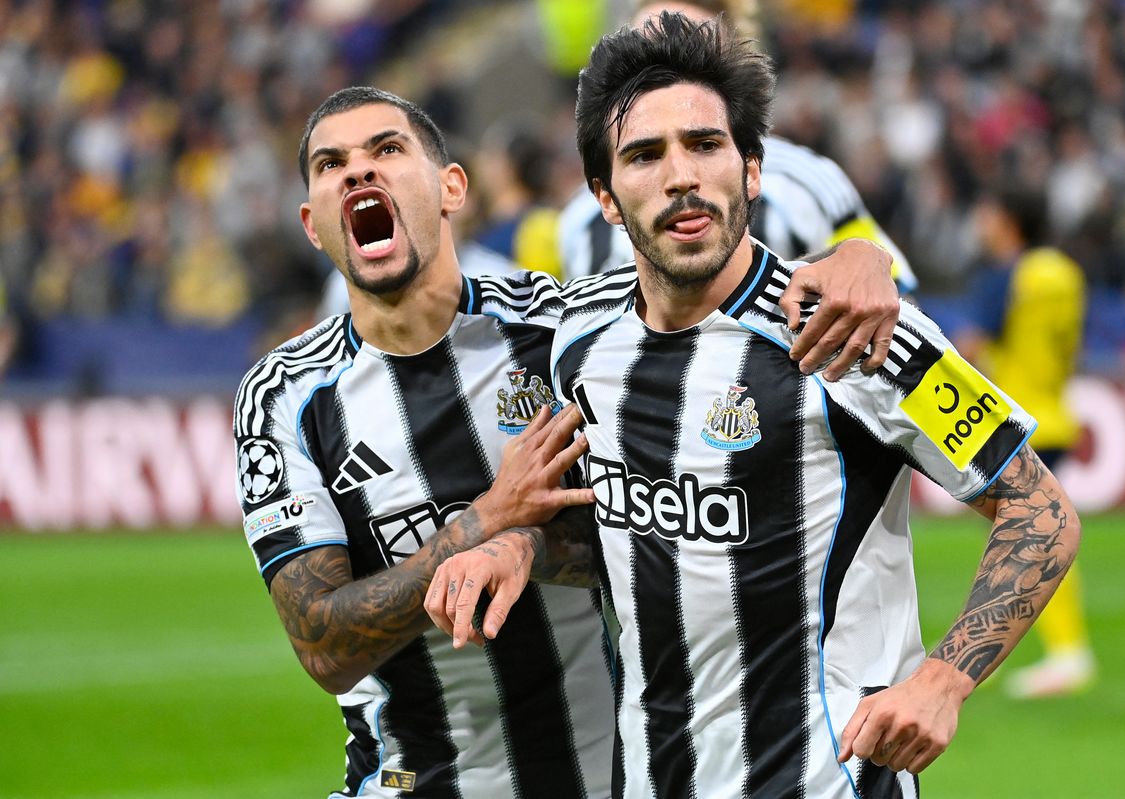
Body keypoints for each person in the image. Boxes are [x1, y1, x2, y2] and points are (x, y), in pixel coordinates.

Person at [427, 14, 1082, 797]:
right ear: (604, 197)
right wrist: (520, 547)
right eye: (644, 155)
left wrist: (944, 678)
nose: (680, 175)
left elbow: (1041, 512)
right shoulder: (580, 337)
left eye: (704, 145)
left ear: (751, 170)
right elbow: (623, 536)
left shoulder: (857, 329)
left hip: (829, 779)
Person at [234, 85, 903, 797]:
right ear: (312, 222)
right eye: (332, 164)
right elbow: (323, 644)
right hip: (404, 779)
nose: (359, 173)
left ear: (451, 187)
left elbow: (716, 284)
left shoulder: (563, 329)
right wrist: (486, 518)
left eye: (387, 150)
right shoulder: (285, 398)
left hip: (601, 778)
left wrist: (861, 255)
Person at [556, 0, 919, 298]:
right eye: (645, 54)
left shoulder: (809, 183)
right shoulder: (578, 221)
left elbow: (891, 294)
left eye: (689, 49)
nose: (665, 75)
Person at [957, 187, 1096, 698]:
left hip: (1014, 420)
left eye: (989, 210)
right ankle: (1066, 651)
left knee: (1031, 534)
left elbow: (972, 347)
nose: (981, 219)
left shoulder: (1006, 274)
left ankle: (1066, 653)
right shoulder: (1063, 271)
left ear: (1009, 219)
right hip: (1057, 409)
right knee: (1043, 525)